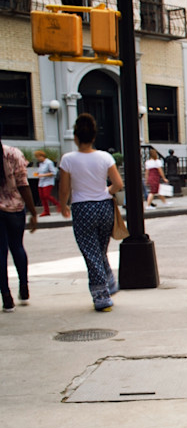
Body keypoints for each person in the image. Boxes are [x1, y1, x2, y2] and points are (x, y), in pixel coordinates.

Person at [58, 113, 125, 312]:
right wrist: (107, 191)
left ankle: (102, 296)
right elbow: (118, 184)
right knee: (99, 251)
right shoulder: (105, 157)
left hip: (82, 207)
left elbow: (64, 188)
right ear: (94, 137)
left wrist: (63, 205)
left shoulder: (68, 159)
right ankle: (110, 282)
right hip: (104, 207)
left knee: (91, 253)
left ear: (76, 137)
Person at [0, 141, 38, 311]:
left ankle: (6, 297)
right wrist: (33, 212)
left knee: (0, 252)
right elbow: (23, 185)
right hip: (14, 208)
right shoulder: (13, 153)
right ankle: (24, 286)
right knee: (17, 247)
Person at [34, 150, 61, 217]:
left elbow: (53, 173)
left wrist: (43, 175)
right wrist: (38, 174)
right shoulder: (41, 164)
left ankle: (58, 205)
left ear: (42, 156)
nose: (38, 159)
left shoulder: (49, 162)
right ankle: (46, 211)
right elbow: (40, 172)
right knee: (42, 197)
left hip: (48, 182)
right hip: (41, 182)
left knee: (46, 195)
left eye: (38, 157)